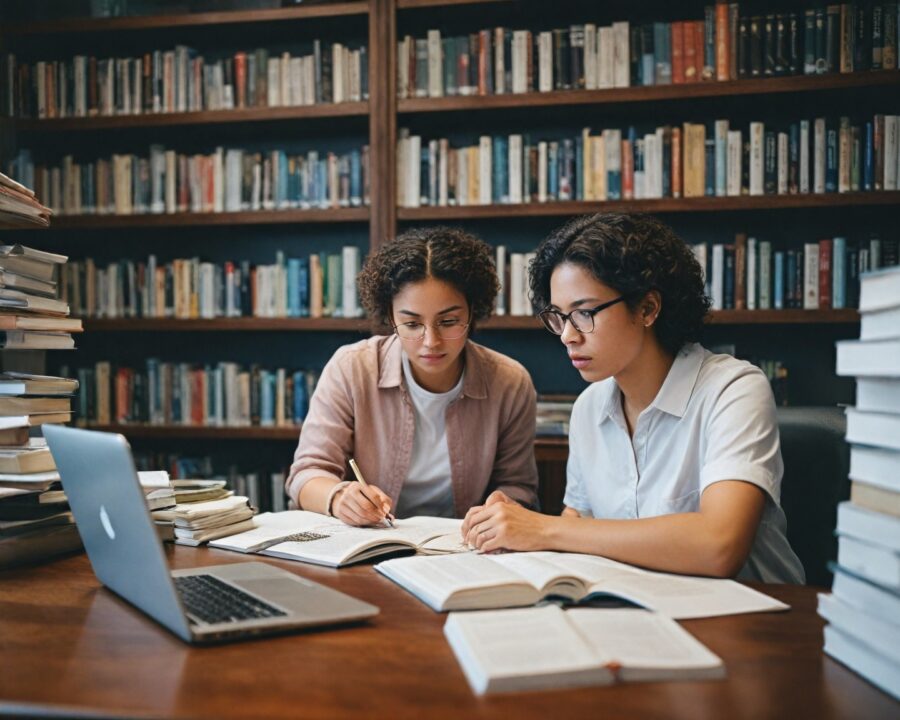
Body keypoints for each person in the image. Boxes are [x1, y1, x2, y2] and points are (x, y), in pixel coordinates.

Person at [461, 213, 805, 583]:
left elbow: (719, 545)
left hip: (755, 619)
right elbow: (578, 523)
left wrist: (540, 529)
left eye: (584, 313)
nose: (567, 336)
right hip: (640, 608)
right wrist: (515, 526)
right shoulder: (589, 408)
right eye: (559, 317)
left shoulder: (733, 390)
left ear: (647, 308)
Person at [286, 227, 539, 526]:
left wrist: (503, 502)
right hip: (371, 541)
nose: (431, 341)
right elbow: (306, 474)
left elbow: (519, 486)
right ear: (390, 317)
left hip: (462, 548)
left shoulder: (510, 383)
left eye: (448, 321)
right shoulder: (352, 368)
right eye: (411, 323)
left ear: (473, 312)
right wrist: (340, 497)